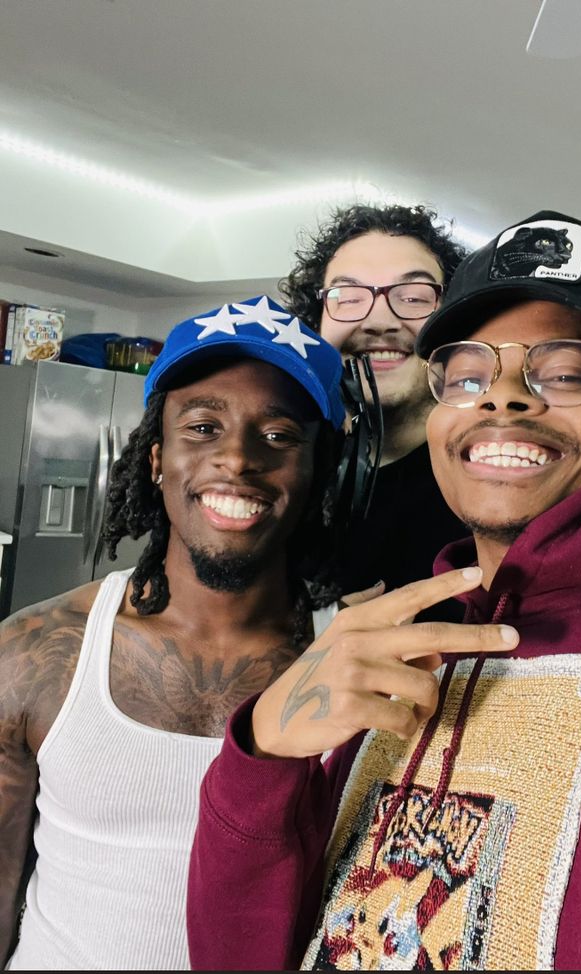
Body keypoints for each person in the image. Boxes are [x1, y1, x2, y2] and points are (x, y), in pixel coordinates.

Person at [187, 211, 581, 971]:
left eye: (567, 372)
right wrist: (262, 754)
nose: (501, 399)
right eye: (466, 375)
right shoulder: (395, 637)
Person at [0, 295, 349, 970]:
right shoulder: (35, 652)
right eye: (202, 428)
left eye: (278, 436)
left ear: (315, 473)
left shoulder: (351, 664)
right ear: (157, 459)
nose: (238, 459)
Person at [280, 203, 471, 620]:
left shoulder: (490, 485)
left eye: (414, 297)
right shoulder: (280, 470)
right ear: (316, 323)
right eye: (347, 297)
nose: (379, 320)